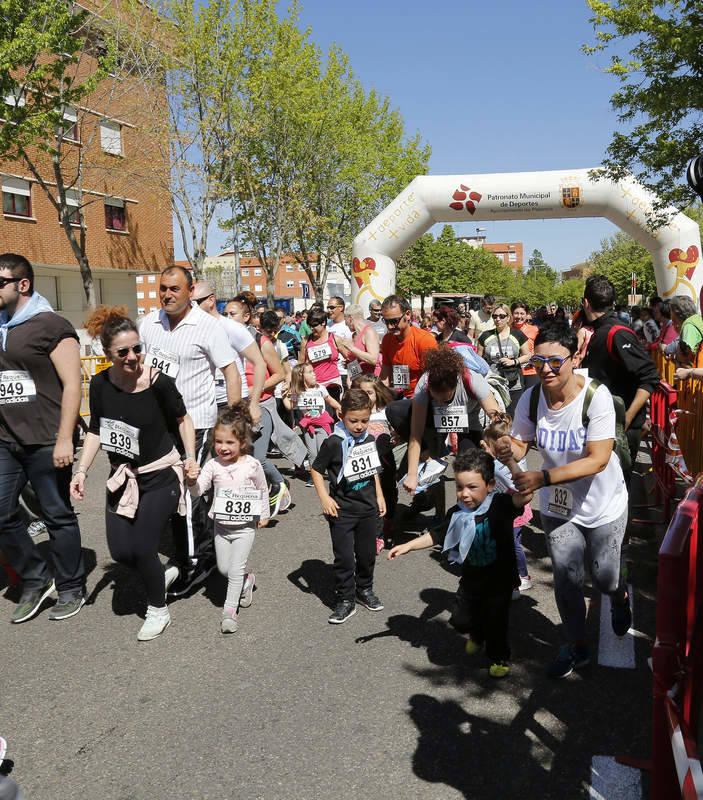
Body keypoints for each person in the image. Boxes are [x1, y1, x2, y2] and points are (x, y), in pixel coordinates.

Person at [496, 321, 631, 678]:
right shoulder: (532, 397)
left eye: (555, 362)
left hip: (604, 504)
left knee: (604, 577)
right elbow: (522, 442)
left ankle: (619, 596)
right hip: (560, 506)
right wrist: (509, 448)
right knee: (567, 578)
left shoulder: (595, 396)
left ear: (574, 358)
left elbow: (597, 459)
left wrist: (542, 477)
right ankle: (576, 645)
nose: (546, 370)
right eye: (539, 362)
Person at [70, 308, 197, 640]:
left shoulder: (158, 382)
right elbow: (97, 430)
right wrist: (81, 470)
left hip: (161, 474)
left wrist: (191, 458)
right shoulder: (99, 384)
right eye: (123, 351)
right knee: (121, 552)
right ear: (106, 353)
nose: (133, 356)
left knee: (142, 546)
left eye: (137, 348)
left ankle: (158, 609)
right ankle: (162, 571)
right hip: (122, 477)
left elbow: (183, 421)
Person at [139, 265, 241, 596]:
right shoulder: (148, 324)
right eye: (163, 289)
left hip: (195, 424)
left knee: (187, 491)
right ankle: (202, 546)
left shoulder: (208, 327)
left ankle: (195, 564)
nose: (167, 295)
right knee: (164, 492)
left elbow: (231, 372)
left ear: (191, 289)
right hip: (156, 425)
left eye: (175, 289)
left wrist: (234, 421)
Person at [388, 448, 532, 679]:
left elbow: (526, 495)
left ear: (491, 485)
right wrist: (408, 546)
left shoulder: (501, 504)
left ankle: (498, 658)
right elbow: (437, 535)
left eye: (472, 487)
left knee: (497, 624)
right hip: (471, 577)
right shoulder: (457, 511)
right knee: (460, 620)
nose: (464, 494)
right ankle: (476, 632)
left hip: (500, 580)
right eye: (459, 487)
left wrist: (512, 463)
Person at [0, 253, 86, 623]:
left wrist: (66, 437)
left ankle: (71, 587)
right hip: (7, 439)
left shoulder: (52, 325)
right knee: (2, 512)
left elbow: (72, 385)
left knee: (57, 517)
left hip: (47, 438)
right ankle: (36, 577)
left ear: (22, 284)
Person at [187, 404, 269, 634]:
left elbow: (262, 489)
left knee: (233, 570)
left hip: (245, 528)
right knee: (223, 568)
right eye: (219, 442)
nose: (223, 447)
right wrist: (191, 481)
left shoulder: (252, 465)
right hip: (221, 527)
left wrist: (264, 514)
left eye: (230, 443)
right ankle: (247, 581)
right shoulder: (213, 465)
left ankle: (229, 612)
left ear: (242, 443)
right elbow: (199, 491)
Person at [310, 388, 386, 624]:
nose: (360, 426)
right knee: (344, 558)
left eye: (365, 420)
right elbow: (316, 469)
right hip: (341, 510)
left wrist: (380, 496)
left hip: (367, 508)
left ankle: (364, 589)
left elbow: (373, 470)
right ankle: (345, 599)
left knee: (366, 555)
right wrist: (324, 497)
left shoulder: (369, 440)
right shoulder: (334, 442)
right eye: (354, 420)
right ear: (341, 415)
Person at [581, 275, 660, 472]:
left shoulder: (617, 333)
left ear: (586, 303)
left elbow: (650, 376)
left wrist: (628, 417)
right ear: (613, 302)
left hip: (619, 430)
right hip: (601, 425)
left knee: (616, 494)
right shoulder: (597, 331)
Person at [404, 347, 501, 497]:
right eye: (436, 398)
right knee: (396, 410)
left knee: (468, 467)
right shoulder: (423, 385)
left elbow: (498, 418)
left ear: (456, 384)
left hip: (469, 420)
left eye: (446, 399)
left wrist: (493, 444)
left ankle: (466, 508)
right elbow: (415, 434)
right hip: (436, 420)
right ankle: (431, 458)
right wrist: (412, 474)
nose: (442, 403)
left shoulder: (472, 379)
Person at [193, 282, 265, 419]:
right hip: (204, 403)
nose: (191, 308)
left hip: (232, 401)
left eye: (195, 303)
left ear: (211, 300)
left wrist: (254, 403)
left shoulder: (232, 328)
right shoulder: (193, 329)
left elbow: (260, 363)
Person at [480, 413, 533, 596]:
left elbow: (505, 479)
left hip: (515, 506)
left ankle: (522, 577)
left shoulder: (505, 464)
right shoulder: (508, 459)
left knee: (512, 544)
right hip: (508, 505)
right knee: (507, 542)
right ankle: (509, 575)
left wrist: (489, 457)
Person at [352, 375, 397, 550]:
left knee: (388, 493)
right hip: (365, 462)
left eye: (369, 392)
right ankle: (375, 534)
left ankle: (387, 527)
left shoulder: (386, 411)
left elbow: (396, 430)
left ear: (377, 393)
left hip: (385, 461)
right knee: (368, 495)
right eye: (362, 392)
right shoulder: (355, 413)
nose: (366, 396)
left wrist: (396, 437)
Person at [282, 362, 342, 470]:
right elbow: (289, 406)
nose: (314, 374)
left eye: (313, 371)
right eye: (310, 372)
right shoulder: (298, 392)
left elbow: (330, 400)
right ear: (301, 376)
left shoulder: (320, 388)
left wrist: (340, 408)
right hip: (309, 426)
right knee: (312, 453)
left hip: (323, 424)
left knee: (322, 449)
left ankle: (329, 469)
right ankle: (314, 474)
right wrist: (284, 397)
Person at [477, 303, 530, 417]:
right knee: (496, 417)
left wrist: (514, 361)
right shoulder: (485, 336)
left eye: (502, 316)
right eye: (495, 316)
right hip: (492, 383)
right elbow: (479, 359)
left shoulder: (517, 334)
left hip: (513, 382)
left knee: (513, 416)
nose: (498, 319)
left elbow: (527, 355)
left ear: (508, 317)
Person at [379, 294, 438, 397]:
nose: (389, 326)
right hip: (399, 396)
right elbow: (385, 376)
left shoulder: (424, 340)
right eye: (386, 321)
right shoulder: (387, 340)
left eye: (394, 321)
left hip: (422, 398)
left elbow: (434, 380)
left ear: (408, 314)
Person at [305, 308, 344, 402]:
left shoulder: (335, 339)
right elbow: (301, 364)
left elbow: (350, 359)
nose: (311, 328)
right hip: (315, 385)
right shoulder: (306, 341)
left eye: (314, 325)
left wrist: (353, 380)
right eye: (309, 325)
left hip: (333, 384)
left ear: (323, 323)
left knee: (334, 414)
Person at [336, 303, 381, 382]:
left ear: (350, 317)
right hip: (358, 382)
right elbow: (359, 360)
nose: (346, 324)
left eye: (345, 320)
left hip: (370, 383)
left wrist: (352, 348)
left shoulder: (369, 332)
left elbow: (373, 359)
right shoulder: (355, 335)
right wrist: (350, 365)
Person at [510, 302, 539, 388]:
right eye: (516, 313)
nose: (519, 317)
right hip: (513, 371)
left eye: (522, 313)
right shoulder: (507, 330)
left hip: (531, 371)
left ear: (527, 315)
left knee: (532, 399)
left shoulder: (534, 330)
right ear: (511, 314)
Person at [669, 295, 703, 368]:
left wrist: (675, 357)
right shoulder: (696, 319)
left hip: (695, 374)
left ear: (675, 311)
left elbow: (685, 355)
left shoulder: (688, 326)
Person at [326, 296, 353, 386]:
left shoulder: (349, 325)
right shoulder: (327, 326)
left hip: (345, 373)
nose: (329, 310)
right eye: (328, 308)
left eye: (332, 307)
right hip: (330, 374)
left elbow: (353, 351)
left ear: (341, 308)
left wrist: (353, 375)